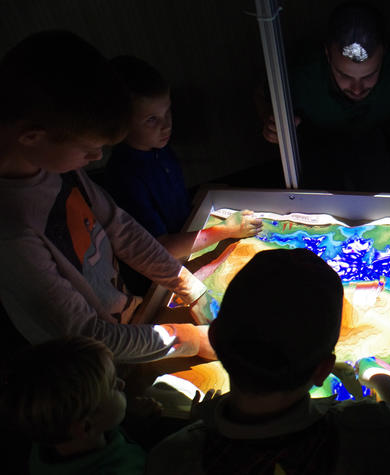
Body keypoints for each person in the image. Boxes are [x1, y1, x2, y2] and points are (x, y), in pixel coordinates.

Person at [0, 30, 215, 363]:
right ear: (31, 137)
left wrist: (186, 284)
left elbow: (120, 228)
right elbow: (84, 334)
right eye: (89, 150)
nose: (97, 159)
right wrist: (189, 338)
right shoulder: (12, 230)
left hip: (127, 321)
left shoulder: (53, 161)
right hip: (83, 367)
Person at [145, 248, 390, 474]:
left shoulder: (169, 458)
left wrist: (204, 426)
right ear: (323, 370)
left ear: (217, 341)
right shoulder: (373, 431)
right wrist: (381, 378)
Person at [257, 1, 390, 193]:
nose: (357, 89)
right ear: (327, 54)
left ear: (384, 54)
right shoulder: (302, 74)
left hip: (381, 146)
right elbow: (262, 93)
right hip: (317, 146)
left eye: (368, 76)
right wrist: (272, 124)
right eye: (344, 75)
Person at [106, 55, 263, 260]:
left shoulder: (158, 147)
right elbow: (160, 249)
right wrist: (226, 230)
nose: (167, 125)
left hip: (187, 233)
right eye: (152, 119)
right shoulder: (125, 177)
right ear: (120, 124)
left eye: (167, 111)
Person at [0, 336, 146, 474]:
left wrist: (138, 421)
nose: (122, 384)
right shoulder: (119, 470)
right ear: (86, 426)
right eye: (113, 385)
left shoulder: (50, 432)